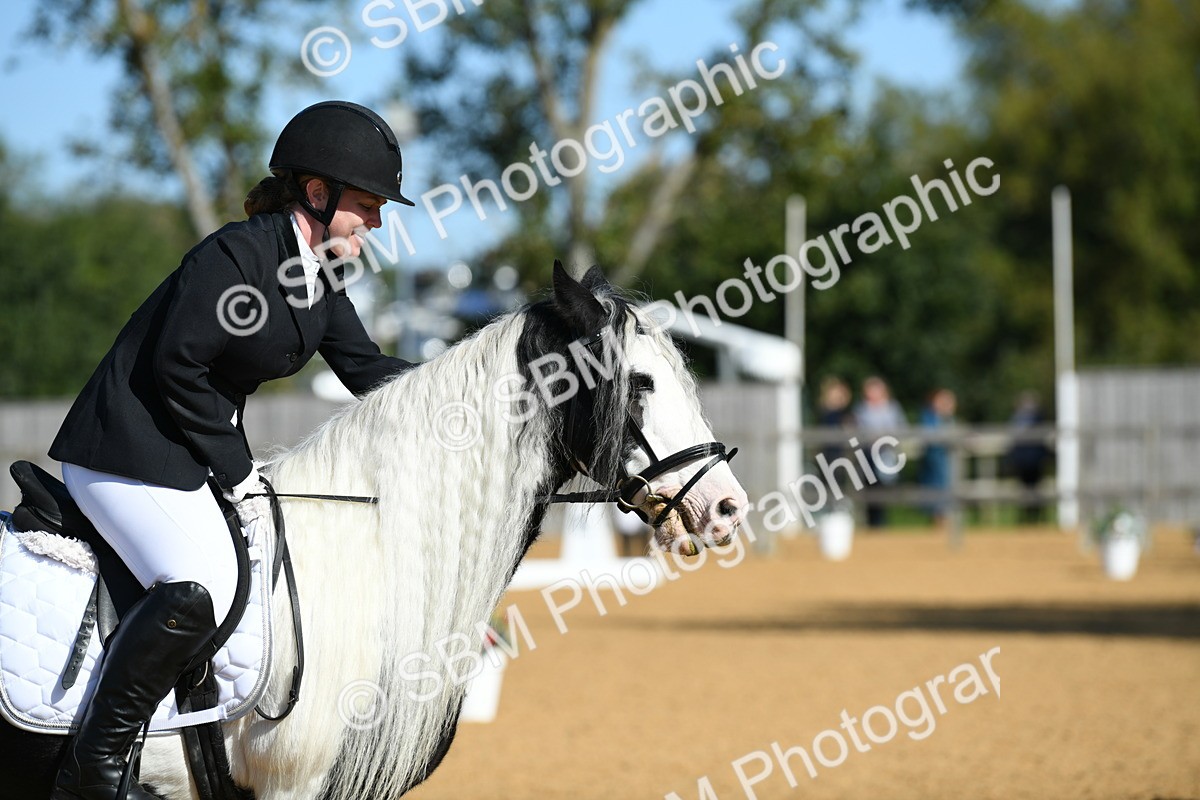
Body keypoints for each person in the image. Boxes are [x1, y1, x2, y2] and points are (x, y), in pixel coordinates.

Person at [46, 100, 417, 799]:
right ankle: (92, 770)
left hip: (184, 456)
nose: (375, 221)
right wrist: (239, 468)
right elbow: (175, 367)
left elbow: (366, 370)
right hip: (122, 452)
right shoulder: (234, 256)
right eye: (366, 205)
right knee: (203, 585)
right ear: (317, 194)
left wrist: (471, 377)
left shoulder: (320, 274)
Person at [854, 376, 906, 528]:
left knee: (883, 489)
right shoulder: (861, 409)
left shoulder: (891, 408)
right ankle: (872, 523)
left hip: (885, 454)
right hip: (866, 454)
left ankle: (881, 523)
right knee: (869, 489)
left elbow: (900, 428)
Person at [1006, 390, 1052, 524]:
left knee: (1034, 491)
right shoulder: (1020, 419)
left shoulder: (1034, 418)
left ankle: (1035, 519)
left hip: (1032, 461)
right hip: (1026, 461)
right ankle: (1029, 519)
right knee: (1027, 491)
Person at [918, 388, 957, 527]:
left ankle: (945, 523)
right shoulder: (928, 418)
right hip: (935, 462)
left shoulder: (949, 419)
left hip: (947, 462)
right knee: (936, 493)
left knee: (948, 493)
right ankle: (938, 523)